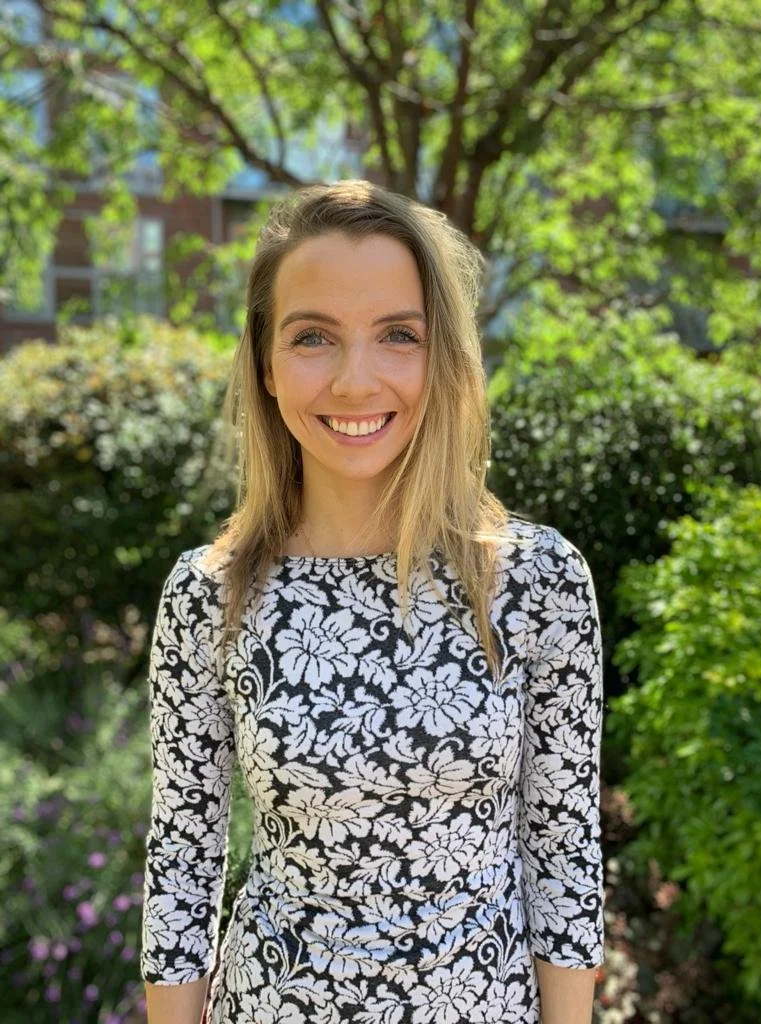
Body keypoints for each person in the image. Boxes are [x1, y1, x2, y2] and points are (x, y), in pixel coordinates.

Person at [139, 180, 604, 1024]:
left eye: (398, 335)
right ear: (268, 365)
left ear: (446, 359)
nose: (357, 381)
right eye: (313, 337)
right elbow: (182, 861)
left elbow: (564, 853)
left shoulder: (538, 581)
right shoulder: (210, 594)